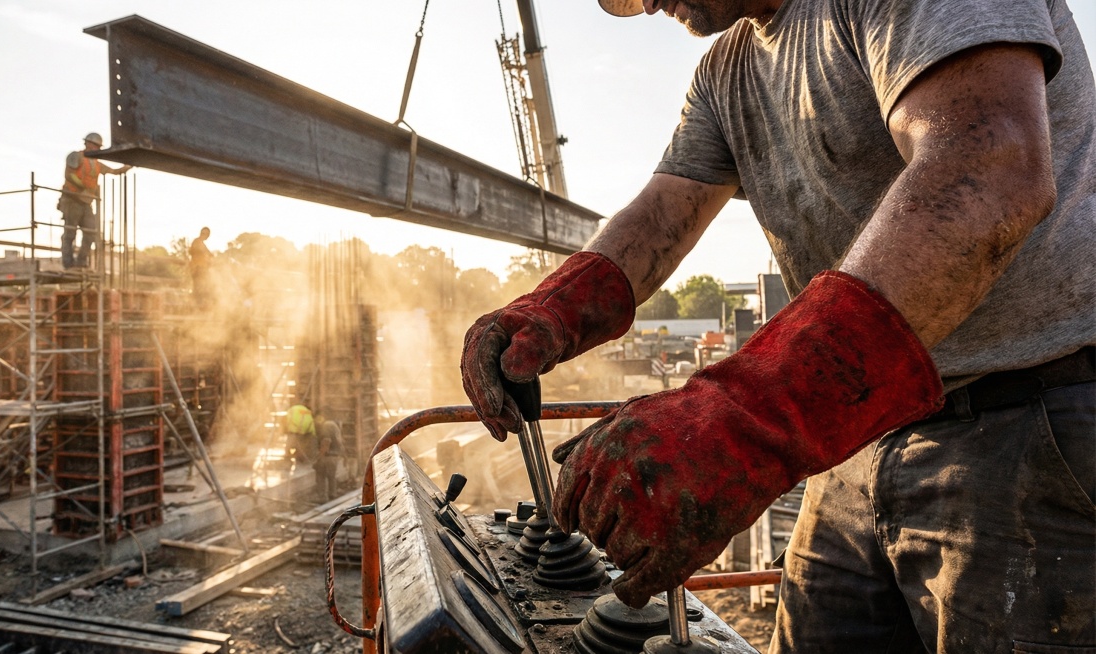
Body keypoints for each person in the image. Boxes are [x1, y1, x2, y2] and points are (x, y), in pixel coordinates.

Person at [460, 0, 1094, 651]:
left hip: (1029, 421)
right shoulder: (726, 71)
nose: (644, 3)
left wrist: (746, 415)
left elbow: (989, 165)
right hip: (858, 430)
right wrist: (553, 309)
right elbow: (659, 216)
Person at [58, 132, 132, 270]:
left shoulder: (97, 164)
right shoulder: (76, 156)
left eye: (98, 146)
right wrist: (83, 187)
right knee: (70, 233)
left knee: (91, 232)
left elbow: (115, 171)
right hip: (72, 199)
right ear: (87, 144)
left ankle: (81, 262)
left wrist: (130, 165)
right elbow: (69, 175)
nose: (96, 149)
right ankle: (68, 264)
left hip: (86, 202)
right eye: (94, 145)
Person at [312, 410, 344, 503]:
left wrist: (319, 458)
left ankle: (322, 497)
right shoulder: (334, 425)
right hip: (335, 456)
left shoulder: (326, 426)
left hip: (328, 456)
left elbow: (326, 441)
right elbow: (341, 442)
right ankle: (332, 494)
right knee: (331, 477)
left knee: (320, 475)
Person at [188, 227, 215, 307]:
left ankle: (200, 304)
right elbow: (199, 251)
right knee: (198, 287)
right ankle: (197, 305)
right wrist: (209, 255)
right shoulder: (197, 242)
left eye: (206, 234)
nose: (204, 235)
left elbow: (208, 254)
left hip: (202, 269)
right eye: (203, 233)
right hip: (197, 269)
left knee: (203, 287)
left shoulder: (201, 243)